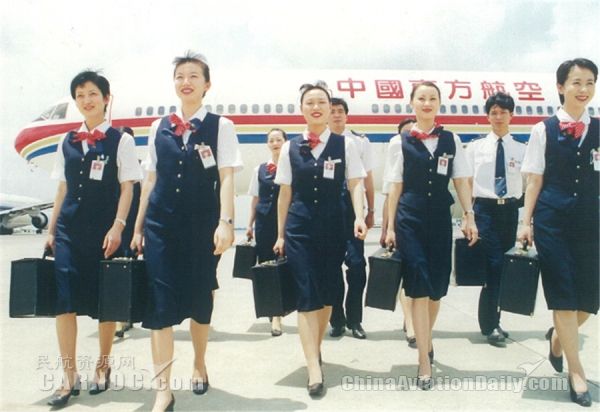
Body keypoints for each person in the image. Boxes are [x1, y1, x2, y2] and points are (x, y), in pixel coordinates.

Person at [131, 51, 242, 412]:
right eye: (180, 76)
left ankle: (199, 362)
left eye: (194, 76)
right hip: (161, 226)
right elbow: (150, 179)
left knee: (200, 297)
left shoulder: (221, 126)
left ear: (207, 85)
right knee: (159, 304)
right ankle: (163, 389)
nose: (186, 82)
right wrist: (138, 227)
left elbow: (227, 177)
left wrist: (226, 222)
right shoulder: (158, 126)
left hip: (201, 226)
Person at [44, 70, 141, 407]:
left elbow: (128, 187)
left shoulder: (121, 140)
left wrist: (118, 226)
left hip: (104, 232)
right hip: (69, 231)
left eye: (93, 94)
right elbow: (62, 188)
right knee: (64, 302)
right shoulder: (66, 141)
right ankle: (69, 375)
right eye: (80, 95)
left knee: (105, 301)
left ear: (106, 99)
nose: (87, 100)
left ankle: (103, 363)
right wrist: (51, 229)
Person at [273, 83, 367, 397]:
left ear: (329, 109)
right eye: (310, 103)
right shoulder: (289, 147)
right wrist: (280, 234)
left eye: (321, 102)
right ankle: (313, 367)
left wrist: (359, 216)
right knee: (306, 294)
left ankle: (315, 347)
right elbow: (285, 193)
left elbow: (355, 183)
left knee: (328, 293)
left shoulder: (345, 144)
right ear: (302, 109)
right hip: (299, 227)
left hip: (333, 226)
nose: (316, 107)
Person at [384, 81, 477, 390]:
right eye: (421, 98)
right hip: (409, 219)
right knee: (419, 286)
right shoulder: (399, 142)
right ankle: (424, 360)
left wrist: (469, 215)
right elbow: (395, 187)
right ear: (412, 103)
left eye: (432, 98)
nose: (427, 103)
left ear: (439, 103)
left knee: (436, 288)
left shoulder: (452, 139)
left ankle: (426, 337)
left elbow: (461, 180)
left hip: (438, 218)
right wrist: (389, 227)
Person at [519, 58, 598, 407]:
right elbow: (534, 179)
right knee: (563, 295)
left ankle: (556, 340)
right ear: (561, 87)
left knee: (589, 300)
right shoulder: (544, 129)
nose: (584, 89)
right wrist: (526, 222)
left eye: (590, 83)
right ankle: (576, 372)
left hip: (591, 221)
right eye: (577, 82)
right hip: (552, 222)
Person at [466, 92, 526, 347]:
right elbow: (467, 183)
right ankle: (490, 324)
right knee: (493, 264)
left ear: (512, 115)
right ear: (487, 116)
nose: (498, 117)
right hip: (485, 210)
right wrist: (468, 216)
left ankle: (493, 321)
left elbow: (528, 182)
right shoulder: (475, 148)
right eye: (494, 112)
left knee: (504, 267)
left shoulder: (521, 148)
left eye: (503, 112)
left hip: (509, 211)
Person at [328, 97, 375, 339]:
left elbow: (368, 178)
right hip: (327, 209)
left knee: (357, 266)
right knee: (331, 267)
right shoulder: (319, 142)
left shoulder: (359, 141)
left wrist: (370, 211)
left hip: (352, 207)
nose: (336, 115)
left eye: (340, 111)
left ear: (346, 115)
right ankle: (336, 320)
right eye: (332, 111)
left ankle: (355, 320)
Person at [246, 127, 288, 336]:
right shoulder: (259, 169)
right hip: (264, 224)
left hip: (287, 223)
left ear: (285, 142)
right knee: (267, 266)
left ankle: (285, 309)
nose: (275, 143)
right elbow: (255, 198)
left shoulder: (292, 167)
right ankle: (274, 315)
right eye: (271, 140)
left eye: (278, 139)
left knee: (286, 265)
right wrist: (249, 225)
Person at [381, 117, 417, 348]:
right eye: (406, 133)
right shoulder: (397, 149)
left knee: (417, 274)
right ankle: (411, 323)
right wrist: (387, 228)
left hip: (420, 219)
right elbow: (389, 194)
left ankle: (412, 318)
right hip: (400, 218)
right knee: (405, 273)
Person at [115, 126, 141, 338]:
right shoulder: (112, 166)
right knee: (117, 272)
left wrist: (140, 232)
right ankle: (120, 318)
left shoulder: (139, 169)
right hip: (117, 230)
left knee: (128, 271)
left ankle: (125, 316)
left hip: (132, 231)